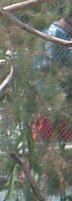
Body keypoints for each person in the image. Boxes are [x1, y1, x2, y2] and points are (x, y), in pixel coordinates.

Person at [33, 9, 72, 141]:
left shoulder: (52, 32)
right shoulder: (57, 34)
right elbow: (58, 64)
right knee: (46, 138)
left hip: (52, 98)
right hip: (53, 97)